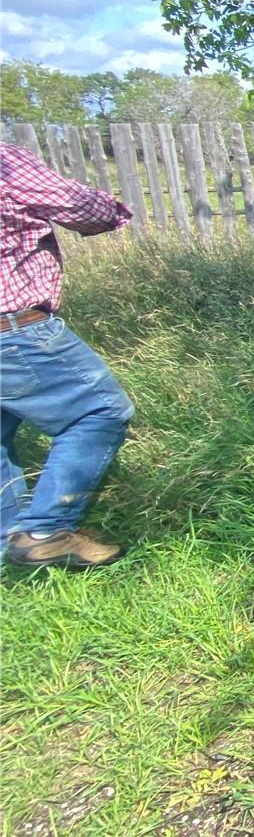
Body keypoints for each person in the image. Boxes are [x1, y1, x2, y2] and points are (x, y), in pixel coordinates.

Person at [1, 142, 134, 569]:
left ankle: (10, 539)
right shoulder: (5, 162)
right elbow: (85, 208)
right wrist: (111, 206)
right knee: (99, 411)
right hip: (13, 329)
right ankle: (45, 531)